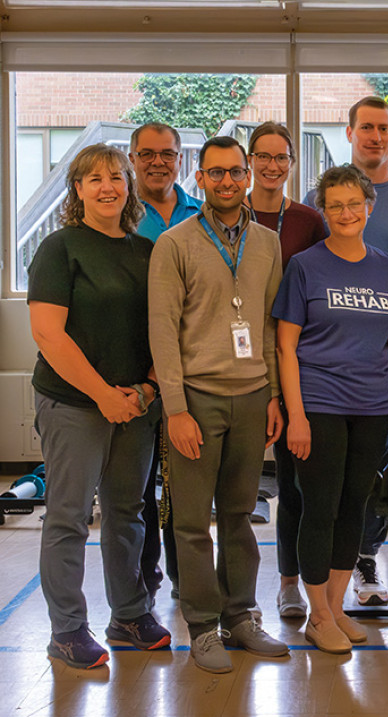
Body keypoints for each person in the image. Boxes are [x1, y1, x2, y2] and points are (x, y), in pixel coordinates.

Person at [28, 143, 171, 669]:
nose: (108, 186)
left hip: (136, 405)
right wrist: (102, 395)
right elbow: (48, 333)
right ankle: (66, 629)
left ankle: (129, 615)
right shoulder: (61, 248)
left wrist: (147, 390)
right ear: (78, 190)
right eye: (95, 179)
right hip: (74, 404)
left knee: (127, 513)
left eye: (116, 176)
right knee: (68, 517)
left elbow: (163, 330)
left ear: (129, 185)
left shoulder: (145, 252)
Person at [148, 136, 288, 674]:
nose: (227, 181)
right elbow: (162, 331)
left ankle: (241, 616)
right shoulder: (175, 244)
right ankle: (203, 627)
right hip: (197, 399)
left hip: (251, 396)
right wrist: (176, 408)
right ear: (199, 178)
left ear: (248, 176)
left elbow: (271, 326)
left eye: (235, 172)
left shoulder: (267, 243)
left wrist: (273, 394)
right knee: (190, 521)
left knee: (238, 515)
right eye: (215, 173)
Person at [275, 164, 388, 654]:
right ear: (323, 211)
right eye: (336, 205)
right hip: (320, 404)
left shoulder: (387, 265)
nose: (346, 213)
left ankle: (335, 608)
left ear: (369, 207)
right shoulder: (305, 266)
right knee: (320, 508)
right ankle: (317, 615)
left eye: (355, 204)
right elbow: (286, 347)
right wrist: (298, 415)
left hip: (372, 405)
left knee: (356, 505)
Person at [304, 95, 388, 606]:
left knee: (369, 473)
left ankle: (365, 559)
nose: (376, 136)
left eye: (384, 128)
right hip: (325, 372)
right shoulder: (318, 197)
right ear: (349, 132)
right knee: (323, 492)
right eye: (366, 127)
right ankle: (312, 591)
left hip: (387, 364)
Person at [246, 121, 327, 620]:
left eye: (282, 157)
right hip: (239, 357)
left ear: (292, 164)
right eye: (264, 156)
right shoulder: (229, 212)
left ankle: (290, 582)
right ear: (250, 160)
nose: (273, 166)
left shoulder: (309, 220)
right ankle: (225, 592)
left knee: (293, 485)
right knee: (236, 487)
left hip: (293, 357)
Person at [130, 122, 203, 603]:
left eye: (168, 154)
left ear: (181, 160)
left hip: (189, 370)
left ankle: (182, 577)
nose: (158, 162)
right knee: (136, 489)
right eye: (148, 154)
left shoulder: (201, 214)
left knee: (182, 488)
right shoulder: (116, 214)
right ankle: (143, 581)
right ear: (132, 158)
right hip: (134, 372)